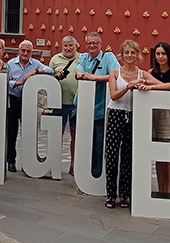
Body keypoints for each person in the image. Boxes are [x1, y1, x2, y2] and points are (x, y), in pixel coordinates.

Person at [105, 40, 145, 209]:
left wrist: (146, 85)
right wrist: (129, 86)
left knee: (128, 156)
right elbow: (114, 95)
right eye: (127, 52)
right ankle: (110, 194)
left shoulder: (142, 73)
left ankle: (125, 194)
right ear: (122, 55)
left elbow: (163, 84)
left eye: (133, 53)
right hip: (116, 114)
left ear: (138, 55)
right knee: (112, 155)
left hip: (133, 115)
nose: (130, 55)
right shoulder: (115, 72)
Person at [140, 41, 170, 197]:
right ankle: (161, 190)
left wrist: (152, 86)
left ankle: (169, 192)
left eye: (163, 53)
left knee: (169, 157)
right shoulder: (151, 71)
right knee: (159, 157)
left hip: (168, 115)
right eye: (158, 54)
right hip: (153, 114)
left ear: (169, 55)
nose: (160, 57)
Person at [76, 32, 120, 178]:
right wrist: (99, 77)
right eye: (89, 43)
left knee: (98, 143)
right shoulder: (83, 57)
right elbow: (79, 73)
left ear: (100, 44)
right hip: (83, 107)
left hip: (100, 108)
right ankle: (83, 173)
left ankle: (97, 173)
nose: (92, 46)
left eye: (95, 43)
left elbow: (116, 75)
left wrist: (93, 77)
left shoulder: (108, 57)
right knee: (83, 142)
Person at [6, 40, 52, 172]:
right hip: (13, 100)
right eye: (23, 50)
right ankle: (11, 161)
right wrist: (19, 83)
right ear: (18, 51)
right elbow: (6, 80)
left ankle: (28, 163)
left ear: (31, 53)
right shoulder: (10, 64)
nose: (25, 53)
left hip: (28, 102)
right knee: (11, 132)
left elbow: (50, 70)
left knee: (29, 132)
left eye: (28, 51)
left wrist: (35, 71)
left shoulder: (35, 63)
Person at [49, 35, 80, 175]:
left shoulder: (83, 58)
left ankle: (74, 164)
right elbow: (48, 78)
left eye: (70, 45)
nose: (68, 48)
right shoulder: (55, 59)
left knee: (76, 135)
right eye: (65, 46)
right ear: (62, 46)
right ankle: (53, 163)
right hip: (58, 102)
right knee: (57, 134)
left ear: (76, 46)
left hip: (76, 103)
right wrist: (56, 75)